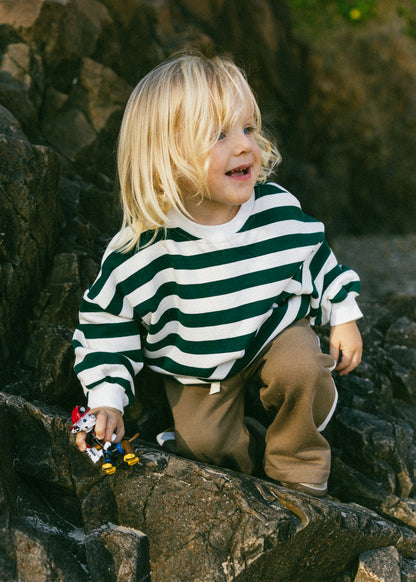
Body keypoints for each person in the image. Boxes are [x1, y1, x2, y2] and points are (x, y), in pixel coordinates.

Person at [73, 51, 363, 496]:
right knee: (206, 447)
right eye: (219, 135)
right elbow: (106, 323)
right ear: (166, 155)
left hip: (273, 332)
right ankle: (247, 446)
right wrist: (107, 400)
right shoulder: (146, 247)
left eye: (248, 128)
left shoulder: (273, 209)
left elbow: (313, 257)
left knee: (303, 369)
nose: (245, 144)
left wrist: (342, 314)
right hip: (201, 368)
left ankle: (298, 462)